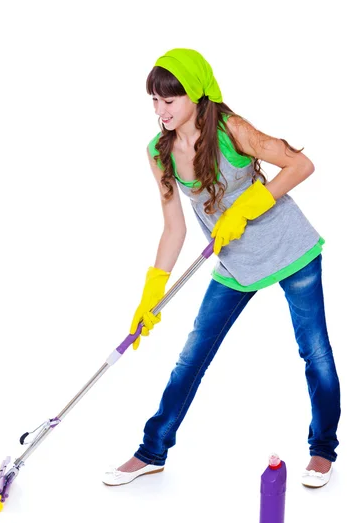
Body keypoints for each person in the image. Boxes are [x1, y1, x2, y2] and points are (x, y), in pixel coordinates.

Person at [102, 48, 341, 489]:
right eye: (154, 100)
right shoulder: (160, 151)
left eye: (169, 100)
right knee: (192, 357)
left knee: (315, 352)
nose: (161, 110)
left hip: (292, 248)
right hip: (235, 263)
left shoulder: (232, 130)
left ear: (194, 95)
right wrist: (151, 293)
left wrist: (248, 206)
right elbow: (173, 228)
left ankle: (323, 450)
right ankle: (151, 451)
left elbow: (300, 164)